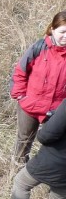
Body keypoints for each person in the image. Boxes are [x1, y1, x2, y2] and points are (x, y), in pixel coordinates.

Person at [0, 98, 66, 199]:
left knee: (22, 182)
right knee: (61, 197)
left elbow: (47, 134)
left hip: (54, 158)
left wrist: (44, 129)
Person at [9, 10, 66, 164]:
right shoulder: (39, 48)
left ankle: (46, 173)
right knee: (24, 140)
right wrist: (21, 96)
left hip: (56, 111)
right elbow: (20, 72)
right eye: (63, 31)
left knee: (55, 145)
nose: (65, 36)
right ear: (52, 30)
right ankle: (17, 170)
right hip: (30, 105)